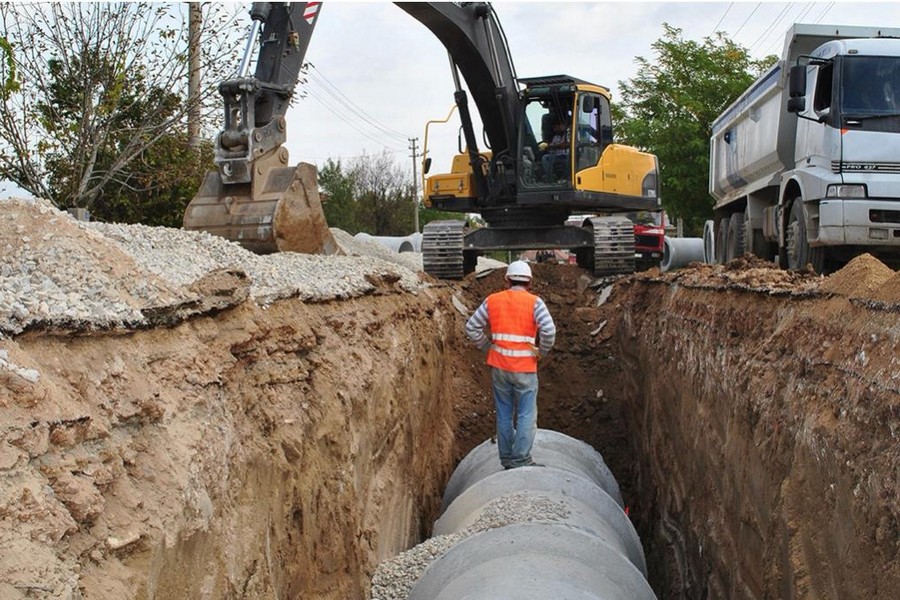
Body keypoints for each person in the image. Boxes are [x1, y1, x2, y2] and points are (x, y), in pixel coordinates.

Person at [465, 260, 556, 469]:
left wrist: (487, 347)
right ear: (529, 282)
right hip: (525, 368)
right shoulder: (535, 303)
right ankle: (521, 459)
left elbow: (472, 327)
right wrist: (541, 352)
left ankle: (506, 459)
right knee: (526, 414)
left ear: (507, 280)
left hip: (499, 367)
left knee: (504, 413)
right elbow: (549, 330)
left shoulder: (492, 300)